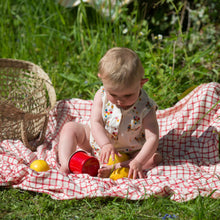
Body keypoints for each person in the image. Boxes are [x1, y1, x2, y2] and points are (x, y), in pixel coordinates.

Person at [58, 47, 162, 179]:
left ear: (141, 84)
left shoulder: (146, 107)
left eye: (128, 95)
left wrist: (138, 161)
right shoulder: (101, 95)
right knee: (70, 128)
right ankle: (66, 163)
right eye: (113, 94)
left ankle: (117, 167)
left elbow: (152, 138)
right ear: (102, 79)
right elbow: (96, 122)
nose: (119, 101)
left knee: (153, 159)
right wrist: (105, 144)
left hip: (132, 151)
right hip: (100, 144)